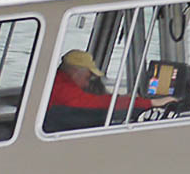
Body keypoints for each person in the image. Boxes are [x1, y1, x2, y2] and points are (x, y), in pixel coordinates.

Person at [44, 49, 177, 132]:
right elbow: (98, 104)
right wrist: (151, 103)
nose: (87, 82)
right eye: (88, 76)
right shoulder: (62, 89)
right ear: (75, 72)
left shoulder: (56, 82)